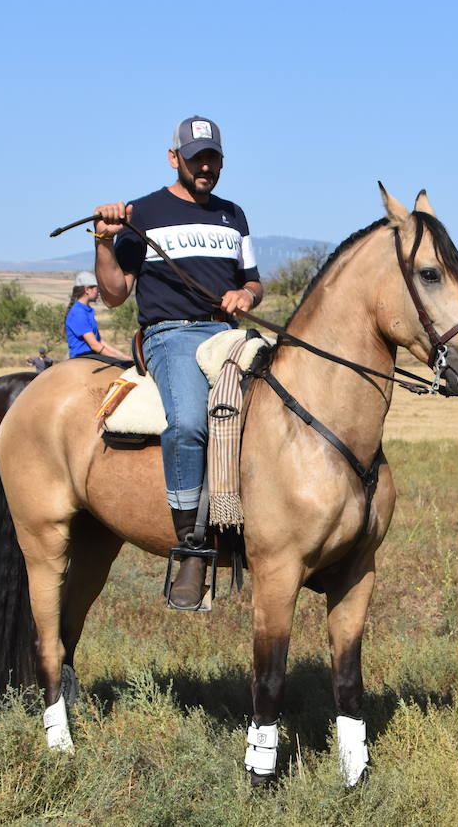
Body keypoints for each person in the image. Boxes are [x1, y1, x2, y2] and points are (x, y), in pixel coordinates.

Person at [91, 115, 265, 610]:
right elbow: (115, 294)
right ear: (175, 159)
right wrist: (105, 241)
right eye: (196, 158)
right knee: (189, 422)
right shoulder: (142, 212)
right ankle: (192, 543)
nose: (205, 166)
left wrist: (245, 295)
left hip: (226, 333)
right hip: (172, 334)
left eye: (213, 158)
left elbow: (253, 280)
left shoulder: (234, 215)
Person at [65, 271, 131, 361]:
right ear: (87, 290)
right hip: (83, 357)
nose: (99, 292)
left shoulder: (85, 310)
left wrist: (122, 355)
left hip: (92, 355)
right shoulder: (78, 312)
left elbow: (99, 341)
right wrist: (117, 359)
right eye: (97, 289)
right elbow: (94, 345)